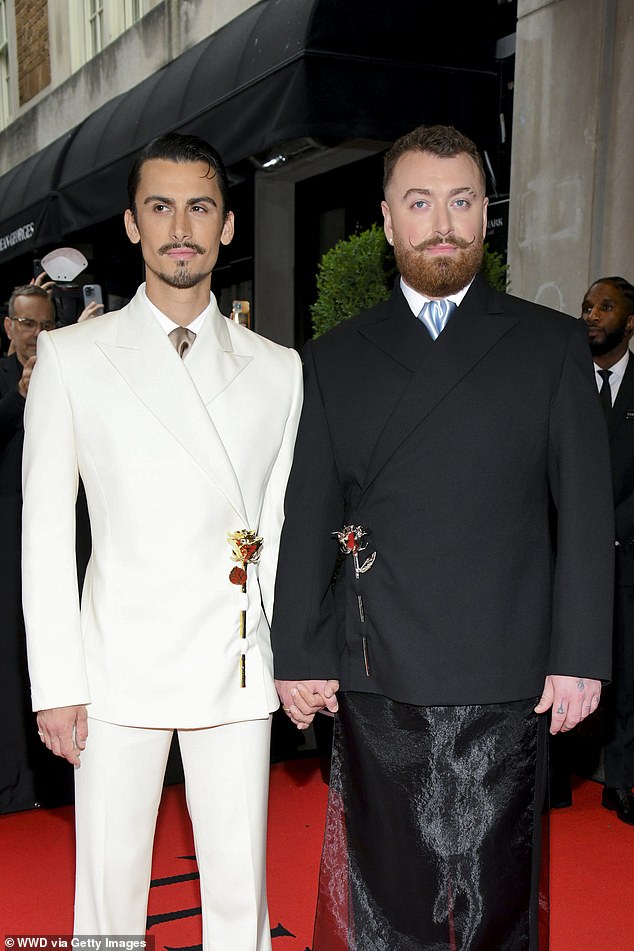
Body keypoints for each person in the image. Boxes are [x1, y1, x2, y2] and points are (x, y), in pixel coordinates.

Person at [270, 125, 614, 950]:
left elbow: (587, 512)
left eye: (461, 202)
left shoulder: (549, 343)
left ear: (485, 217)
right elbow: (310, 513)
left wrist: (582, 654)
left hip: (508, 673)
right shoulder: (334, 358)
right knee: (387, 900)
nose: (442, 223)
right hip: (377, 668)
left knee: (497, 899)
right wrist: (298, 652)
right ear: (387, 221)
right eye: (419, 203)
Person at [22, 132, 302, 947]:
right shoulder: (71, 359)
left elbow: (278, 530)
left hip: (235, 662)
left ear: (228, 226)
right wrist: (55, 682)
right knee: (107, 900)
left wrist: (287, 662)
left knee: (239, 897)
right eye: (161, 206)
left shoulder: (279, 368)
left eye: (201, 206)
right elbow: (45, 534)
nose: (182, 225)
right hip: (114, 672)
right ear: (132, 225)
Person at [0, 284, 73, 812]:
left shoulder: (69, 374)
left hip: (62, 540)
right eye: (27, 323)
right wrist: (19, 397)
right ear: (9, 327)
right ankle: (14, 787)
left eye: (46, 324)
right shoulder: (6, 381)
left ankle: (57, 779)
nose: (36, 334)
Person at [581, 276, 634, 825]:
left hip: (626, 555)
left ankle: (620, 780)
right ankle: (555, 782)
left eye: (606, 306)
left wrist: (602, 529)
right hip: (564, 555)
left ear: (630, 319)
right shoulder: (565, 377)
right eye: (587, 307)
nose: (593, 315)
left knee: (626, 672)